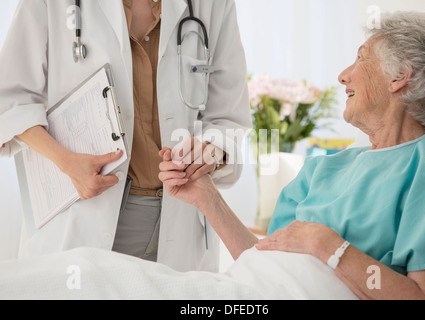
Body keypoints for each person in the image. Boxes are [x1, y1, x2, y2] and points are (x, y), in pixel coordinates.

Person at [159, 11, 425, 299]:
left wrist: (330, 247)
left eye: (361, 58)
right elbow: (265, 262)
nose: (343, 75)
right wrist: (206, 196)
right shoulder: (323, 168)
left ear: (400, 76)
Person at [0, 0, 251, 272]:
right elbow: (11, 100)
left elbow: (229, 119)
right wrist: (66, 162)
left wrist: (210, 153)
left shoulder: (213, 4)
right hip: (83, 214)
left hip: (179, 219)